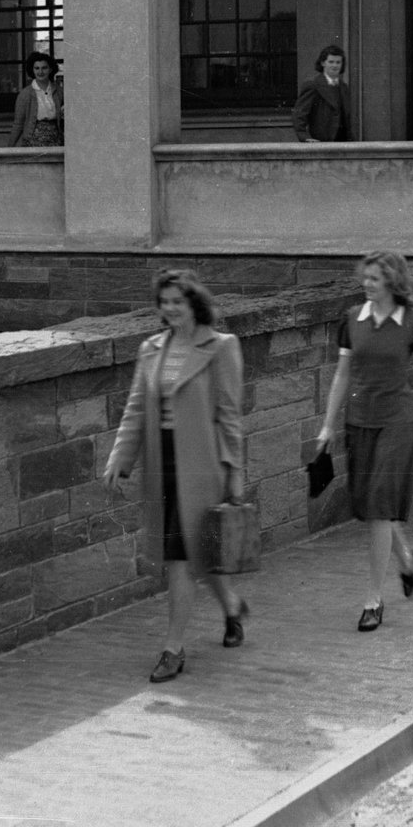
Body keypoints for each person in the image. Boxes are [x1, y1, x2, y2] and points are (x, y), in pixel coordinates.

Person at [104, 269, 251, 684]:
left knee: (183, 559)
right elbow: (136, 407)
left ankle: (173, 648)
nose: (169, 309)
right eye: (164, 302)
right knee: (193, 555)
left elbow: (229, 417)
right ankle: (232, 607)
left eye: (177, 302)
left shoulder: (220, 346)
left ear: (194, 304)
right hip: (162, 464)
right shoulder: (151, 348)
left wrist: (235, 474)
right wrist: (120, 456)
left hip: (202, 465)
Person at [316, 251, 413, 631]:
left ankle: (373, 600)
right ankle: (406, 558)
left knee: (378, 508)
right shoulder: (352, 320)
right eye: (366, 278)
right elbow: (343, 376)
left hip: (397, 423)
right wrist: (327, 426)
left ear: (392, 281)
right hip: (359, 423)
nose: (367, 284)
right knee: (373, 507)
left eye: (374, 278)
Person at [291, 44, 353, 142]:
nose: (335, 65)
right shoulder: (313, 85)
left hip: (343, 142)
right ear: (323, 63)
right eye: (331, 62)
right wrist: (305, 137)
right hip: (321, 142)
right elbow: (299, 114)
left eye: (338, 62)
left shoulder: (343, 87)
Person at [9, 51, 64, 147]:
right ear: (32, 70)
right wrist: (10, 147)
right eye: (37, 68)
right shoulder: (25, 94)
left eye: (44, 68)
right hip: (32, 142)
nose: (40, 72)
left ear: (51, 69)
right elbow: (18, 123)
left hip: (56, 141)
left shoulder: (59, 91)